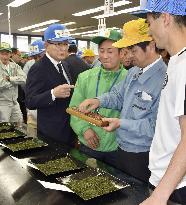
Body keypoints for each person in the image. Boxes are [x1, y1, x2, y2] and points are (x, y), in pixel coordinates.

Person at [79, 19, 167, 182]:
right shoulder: (134, 72)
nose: (129, 56)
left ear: (151, 45)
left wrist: (121, 123)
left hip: (143, 154)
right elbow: (118, 96)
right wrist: (98, 100)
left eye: (133, 50)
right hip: (122, 148)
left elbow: (156, 126)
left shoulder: (164, 80)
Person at [134, 0, 186, 204]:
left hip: (175, 188)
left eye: (149, 22)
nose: (148, 32)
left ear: (165, 18)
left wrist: (159, 196)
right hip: (168, 181)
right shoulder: (176, 61)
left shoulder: (184, 67)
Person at [69, 29, 127, 166]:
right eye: (101, 51)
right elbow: (74, 108)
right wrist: (84, 130)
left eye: (110, 51)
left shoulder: (129, 79)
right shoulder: (85, 77)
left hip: (117, 146)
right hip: (88, 143)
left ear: (121, 53)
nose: (105, 56)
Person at [25, 24, 76, 146]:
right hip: (51, 133)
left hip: (68, 129)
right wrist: (53, 93)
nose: (63, 48)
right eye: (58, 44)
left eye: (65, 44)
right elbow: (30, 101)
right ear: (46, 45)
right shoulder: (38, 68)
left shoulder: (65, 65)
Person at [0, 42, 26, 122]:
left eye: (7, 53)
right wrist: (16, 81)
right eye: (2, 54)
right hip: (2, 103)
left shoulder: (15, 66)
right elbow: (1, 84)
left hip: (15, 102)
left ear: (10, 54)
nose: (5, 56)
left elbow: (24, 79)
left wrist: (10, 78)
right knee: (4, 129)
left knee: (19, 125)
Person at [23, 40, 45, 128]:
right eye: (35, 58)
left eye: (40, 56)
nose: (37, 60)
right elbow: (25, 84)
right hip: (33, 112)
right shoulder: (31, 65)